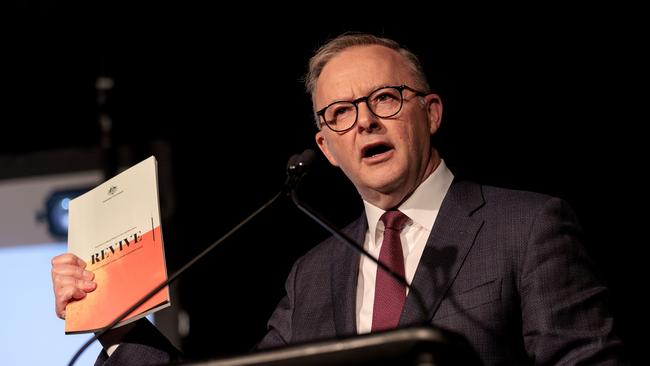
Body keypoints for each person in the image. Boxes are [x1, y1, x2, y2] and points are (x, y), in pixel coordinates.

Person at [51, 33, 627, 365]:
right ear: (326, 147)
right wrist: (118, 323)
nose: (366, 122)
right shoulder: (313, 273)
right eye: (341, 113)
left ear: (431, 112)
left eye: (386, 98)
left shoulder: (526, 226)